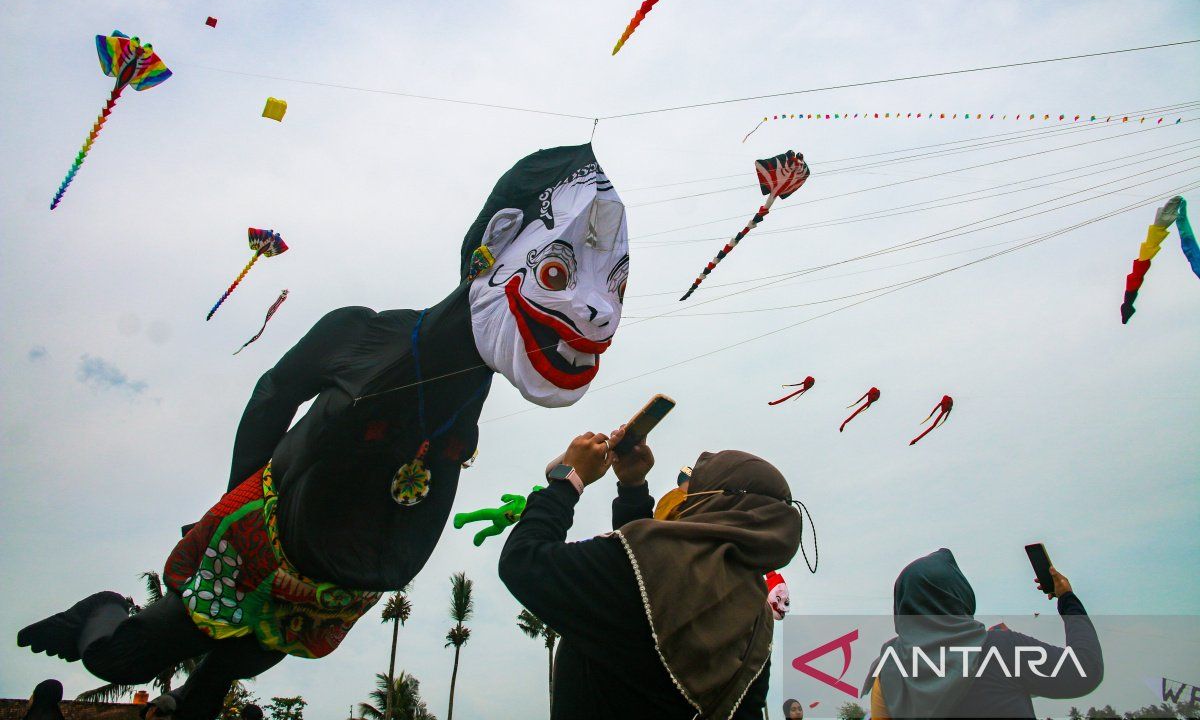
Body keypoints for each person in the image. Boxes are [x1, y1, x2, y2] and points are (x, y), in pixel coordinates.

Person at [18, 144, 631, 720]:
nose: (599, 309)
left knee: (236, 667)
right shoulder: (363, 335)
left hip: (335, 587)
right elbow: (272, 394)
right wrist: (238, 498)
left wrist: (566, 475)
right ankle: (98, 614)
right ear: (496, 245)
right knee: (125, 659)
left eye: (614, 285)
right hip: (263, 547)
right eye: (556, 274)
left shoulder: (472, 388)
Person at [499, 427, 803, 720]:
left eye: (697, 489)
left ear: (722, 501)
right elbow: (646, 588)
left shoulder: (651, 564)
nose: (687, 498)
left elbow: (523, 561)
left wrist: (570, 479)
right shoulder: (756, 616)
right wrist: (633, 490)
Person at [863, 548, 1103, 718]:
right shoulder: (1003, 651)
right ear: (960, 595)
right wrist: (1067, 600)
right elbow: (1085, 670)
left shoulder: (888, 669)